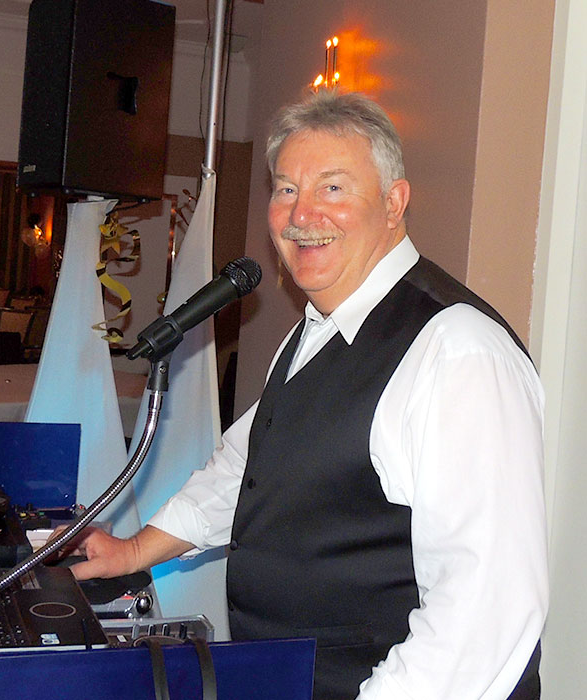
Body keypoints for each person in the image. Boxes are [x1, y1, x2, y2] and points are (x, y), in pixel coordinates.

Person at [63, 91, 547, 699]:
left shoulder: (458, 352)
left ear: (394, 203)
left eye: (333, 187)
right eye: (286, 189)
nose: (302, 213)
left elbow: (485, 610)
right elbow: (249, 469)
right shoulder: (313, 329)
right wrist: (135, 550)